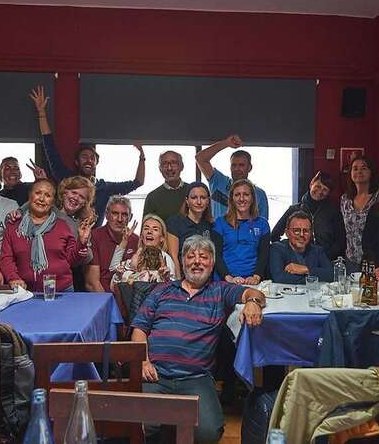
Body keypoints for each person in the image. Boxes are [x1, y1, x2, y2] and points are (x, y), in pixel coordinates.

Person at [132, 235, 265, 443]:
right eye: (190, 256)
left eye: (203, 257)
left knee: (208, 432)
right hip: (154, 375)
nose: (196, 261)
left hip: (196, 378)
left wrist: (254, 302)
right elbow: (139, 328)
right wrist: (142, 360)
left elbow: (254, 292)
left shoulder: (219, 291)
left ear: (212, 263)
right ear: (183, 261)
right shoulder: (162, 290)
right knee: (141, 426)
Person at [30, 85, 145, 226]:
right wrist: (41, 112)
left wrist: (142, 156)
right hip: (64, 233)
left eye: (92, 158)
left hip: (93, 239)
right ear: (77, 162)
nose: (89, 160)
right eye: (84, 157)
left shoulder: (104, 187)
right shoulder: (67, 179)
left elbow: (138, 182)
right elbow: (50, 147)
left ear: (96, 162)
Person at [0, 179, 92, 292]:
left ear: (53, 201)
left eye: (48, 195)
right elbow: (6, 258)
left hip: (62, 291)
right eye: (38, 193)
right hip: (25, 291)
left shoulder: (63, 226)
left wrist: (82, 243)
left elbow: (72, 260)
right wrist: (13, 278)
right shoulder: (13, 226)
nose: (42, 199)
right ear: (30, 196)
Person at [271, 171, 346, 260]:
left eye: (325, 189)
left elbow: (340, 241)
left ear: (328, 193)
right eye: (318, 186)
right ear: (311, 184)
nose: (320, 191)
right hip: (298, 262)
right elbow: (274, 235)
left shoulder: (333, 212)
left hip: (326, 263)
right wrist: (289, 254)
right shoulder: (294, 209)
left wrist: (325, 257)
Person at [195, 134, 269, 219]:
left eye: (241, 165)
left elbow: (263, 227)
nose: (237, 168)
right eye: (234, 165)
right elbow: (200, 158)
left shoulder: (259, 194)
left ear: (249, 168)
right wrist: (226, 143)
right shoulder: (219, 182)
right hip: (217, 232)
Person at [166, 182, 229, 280]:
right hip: (184, 277)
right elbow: (173, 255)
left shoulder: (212, 225)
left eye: (203, 198)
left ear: (208, 201)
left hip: (206, 279)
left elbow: (214, 256)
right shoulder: (175, 223)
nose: (199, 202)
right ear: (187, 201)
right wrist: (178, 282)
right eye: (194, 198)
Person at [213, 179, 271, 285]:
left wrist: (256, 277)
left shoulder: (262, 224)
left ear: (252, 198)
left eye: (246, 194)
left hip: (253, 281)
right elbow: (216, 255)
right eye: (237, 195)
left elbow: (264, 255)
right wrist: (229, 278)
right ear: (232, 199)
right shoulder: (220, 223)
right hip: (225, 281)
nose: (241, 199)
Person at [85, 196, 140, 292]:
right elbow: (92, 283)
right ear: (106, 215)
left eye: (124, 215)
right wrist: (109, 305)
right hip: (103, 297)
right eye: (115, 213)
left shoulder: (136, 240)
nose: (119, 219)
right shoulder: (94, 237)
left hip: (129, 299)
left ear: (130, 217)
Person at [110, 214, 176, 289]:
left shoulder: (165, 258)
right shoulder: (137, 255)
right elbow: (114, 269)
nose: (149, 231)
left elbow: (172, 288)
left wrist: (165, 278)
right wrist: (124, 240)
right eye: (146, 228)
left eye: (155, 229)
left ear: (162, 238)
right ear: (141, 236)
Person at [269, 211, 332, 284]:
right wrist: (314, 277)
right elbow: (279, 278)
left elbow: (331, 274)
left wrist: (307, 270)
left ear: (311, 233)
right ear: (287, 233)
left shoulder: (318, 250)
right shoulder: (277, 248)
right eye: (296, 231)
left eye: (306, 231)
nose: (301, 235)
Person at [340, 156, 379, 270]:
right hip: (351, 259)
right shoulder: (345, 199)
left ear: (371, 172)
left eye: (364, 168)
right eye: (355, 168)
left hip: (374, 259)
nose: (359, 172)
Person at [143, 150, 187, 221]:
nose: (169, 168)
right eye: (165, 164)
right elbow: (146, 228)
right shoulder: (152, 197)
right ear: (160, 169)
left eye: (173, 163)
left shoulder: (193, 191)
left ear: (181, 167)